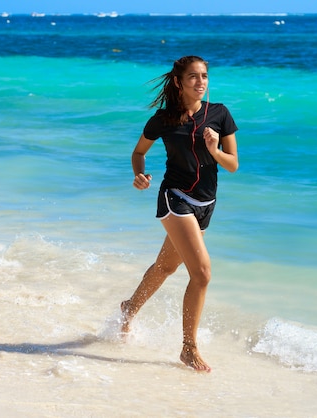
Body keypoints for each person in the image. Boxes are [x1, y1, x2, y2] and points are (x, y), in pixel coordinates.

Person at [120, 56, 239, 372]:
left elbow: (233, 164)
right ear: (178, 82)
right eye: (193, 77)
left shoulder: (220, 114)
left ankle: (129, 307)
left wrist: (214, 150)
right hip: (175, 199)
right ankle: (188, 347)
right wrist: (140, 174)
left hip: (206, 204)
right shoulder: (164, 119)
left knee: (165, 267)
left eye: (204, 76)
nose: (201, 82)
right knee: (201, 273)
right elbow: (138, 152)